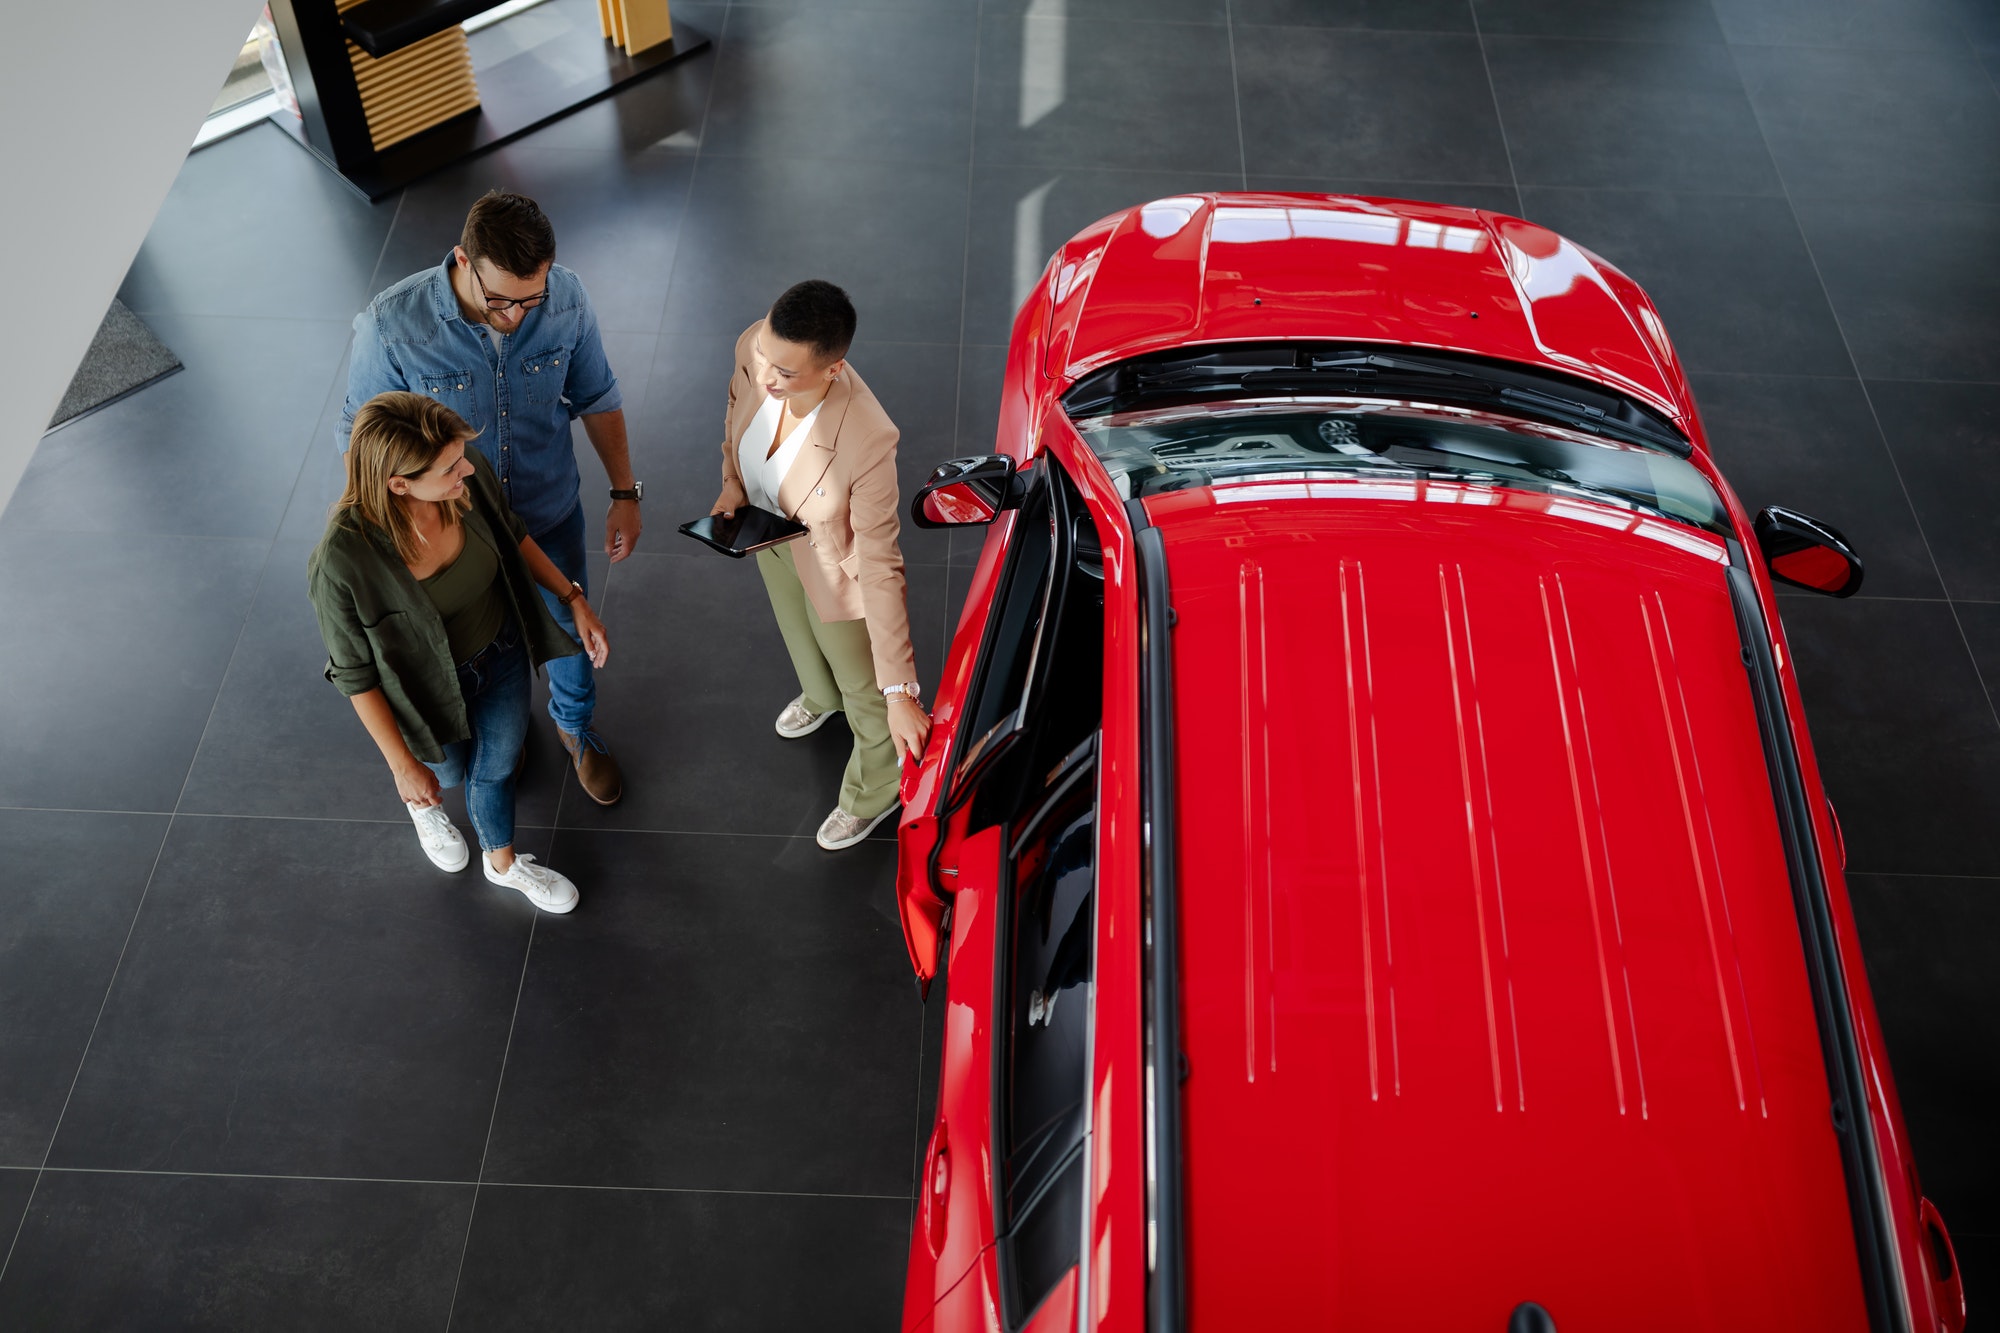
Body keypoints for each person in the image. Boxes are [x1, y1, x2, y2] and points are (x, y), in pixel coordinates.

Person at [338, 189, 634, 807]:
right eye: (500, 300)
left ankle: (575, 729)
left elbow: (598, 395)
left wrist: (625, 492)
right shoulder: (392, 325)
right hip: (452, 528)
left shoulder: (567, 298)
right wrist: (383, 539)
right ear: (463, 261)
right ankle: (503, 730)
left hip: (546, 507)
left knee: (569, 624)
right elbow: (361, 442)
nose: (517, 316)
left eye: (532, 298)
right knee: (476, 640)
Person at [311, 391, 608, 913]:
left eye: (462, 459)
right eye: (449, 467)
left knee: (493, 771)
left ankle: (505, 865)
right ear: (398, 484)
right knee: (444, 776)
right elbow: (356, 676)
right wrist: (403, 765)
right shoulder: (342, 560)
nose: (467, 469)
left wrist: (573, 597)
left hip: (501, 655)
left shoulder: (465, 480)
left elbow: (513, 534)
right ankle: (422, 806)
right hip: (423, 694)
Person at [711, 280, 931, 850]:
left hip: (836, 561)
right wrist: (733, 485)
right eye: (766, 356)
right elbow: (736, 408)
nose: (766, 376)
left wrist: (901, 692)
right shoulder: (757, 347)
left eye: (785, 373)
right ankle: (819, 696)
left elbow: (882, 563)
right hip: (769, 527)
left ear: (832, 369)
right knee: (795, 630)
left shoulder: (867, 438)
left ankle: (876, 788)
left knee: (863, 684)